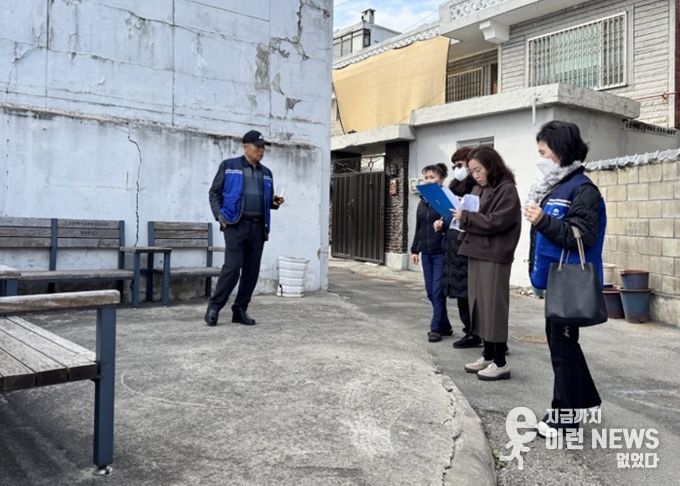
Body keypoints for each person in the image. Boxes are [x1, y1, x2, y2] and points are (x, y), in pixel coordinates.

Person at [524, 121, 605, 437]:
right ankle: (582, 401)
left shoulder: (583, 189)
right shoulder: (557, 187)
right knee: (564, 346)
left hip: (569, 282)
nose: (540, 158)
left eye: (543, 152)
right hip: (557, 280)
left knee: (563, 349)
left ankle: (565, 417)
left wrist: (543, 221)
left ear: (560, 150)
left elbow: (582, 236)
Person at [454, 146, 521, 381]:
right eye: (471, 171)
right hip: (477, 250)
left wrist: (466, 217)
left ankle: (500, 362)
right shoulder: (479, 188)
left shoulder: (507, 189)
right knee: (480, 306)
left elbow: (497, 221)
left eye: (478, 170)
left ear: (491, 166)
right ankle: (488, 354)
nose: (475, 175)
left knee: (493, 307)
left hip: (494, 254)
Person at [205, 130, 285, 327]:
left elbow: (266, 200)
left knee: (251, 271)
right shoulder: (229, 166)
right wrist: (219, 215)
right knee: (232, 268)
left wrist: (274, 202)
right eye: (258, 147)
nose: (261, 151)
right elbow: (214, 193)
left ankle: (240, 310)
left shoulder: (267, 173)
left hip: (258, 227)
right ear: (245, 146)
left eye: (263, 147)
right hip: (235, 224)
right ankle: (214, 307)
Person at [435, 147, 481, 349]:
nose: (457, 170)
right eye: (454, 166)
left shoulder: (478, 188)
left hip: (468, 243)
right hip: (453, 242)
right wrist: (442, 223)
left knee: (471, 293)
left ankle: (476, 332)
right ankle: (469, 330)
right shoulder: (453, 187)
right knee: (460, 292)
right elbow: (449, 214)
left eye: (460, 165)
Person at [411, 163, 452, 343]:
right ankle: (445, 326)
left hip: (441, 251)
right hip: (426, 253)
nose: (428, 180)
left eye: (432, 177)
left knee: (437, 291)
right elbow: (419, 226)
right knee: (430, 292)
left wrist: (443, 225)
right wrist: (415, 249)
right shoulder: (422, 201)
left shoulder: (445, 199)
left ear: (441, 180)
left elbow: (453, 223)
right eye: (426, 177)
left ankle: (435, 328)